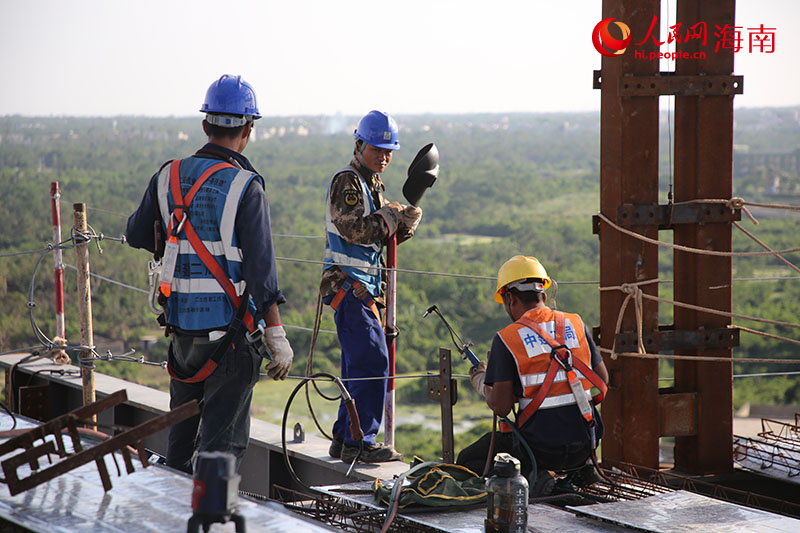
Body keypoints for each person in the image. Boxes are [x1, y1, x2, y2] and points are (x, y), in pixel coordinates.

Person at [126, 74, 294, 474]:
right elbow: (261, 272)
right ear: (248, 130)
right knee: (220, 456)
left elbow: (135, 233)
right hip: (230, 341)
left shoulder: (167, 176)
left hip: (182, 337)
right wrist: (276, 336)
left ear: (205, 125)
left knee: (179, 451)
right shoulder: (245, 186)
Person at [457, 256, 608, 494]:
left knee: (470, 458)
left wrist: (481, 381)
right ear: (544, 296)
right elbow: (602, 380)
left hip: (540, 450)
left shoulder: (507, 338)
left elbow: (501, 408)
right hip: (587, 441)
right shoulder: (576, 323)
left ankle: (535, 476)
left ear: (510, 298)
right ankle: (582, 467)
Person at [320, 110, 422, 463]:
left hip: (363, 287)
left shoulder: (372, 185)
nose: (384, 156)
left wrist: (403, 224)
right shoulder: (347, 182)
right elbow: (354, 230)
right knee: (372, 361)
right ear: (360, 144)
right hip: (350, 286)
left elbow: (378, 240)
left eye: (388, 150)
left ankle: (344, 437)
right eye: (377, 149)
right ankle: (360, 441)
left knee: (357, 364)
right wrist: (389, 218)